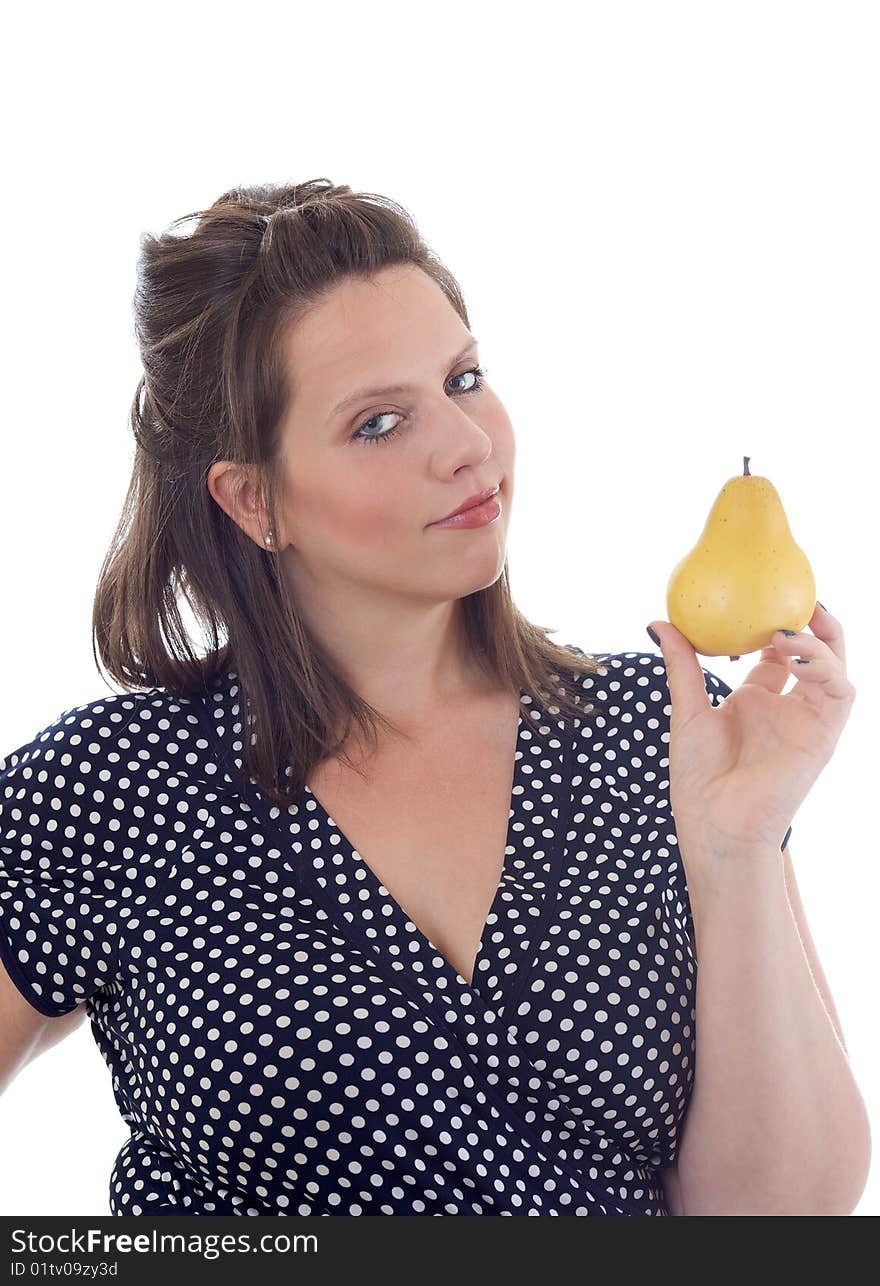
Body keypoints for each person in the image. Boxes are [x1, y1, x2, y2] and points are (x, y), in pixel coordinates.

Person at [0, 180, 867, 1217]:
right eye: (377, 422)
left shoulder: (663, 729)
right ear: (253, 498)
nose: (466, 446)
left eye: (463, 378)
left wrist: (736, 843)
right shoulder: (105, 790)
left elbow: (776, 1222)